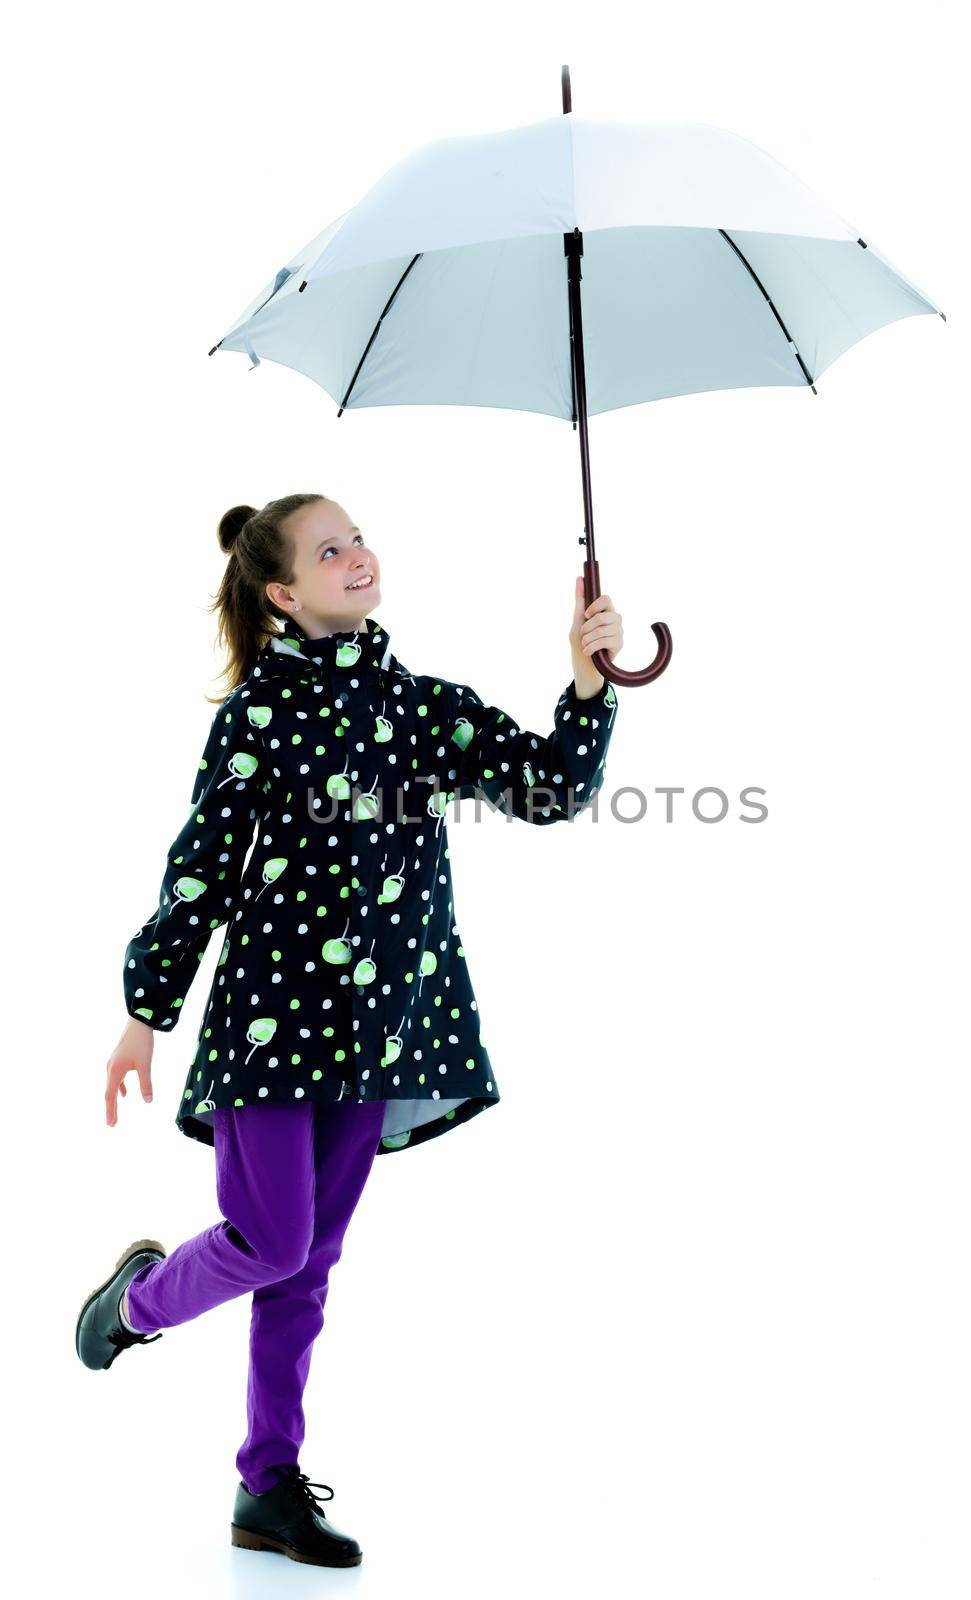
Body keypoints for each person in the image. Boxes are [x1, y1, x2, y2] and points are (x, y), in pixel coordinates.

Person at [76, 492, 622, 1567]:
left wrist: (589, 676)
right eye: (331, 550)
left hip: (377, 1033)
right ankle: (135, 1303)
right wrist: (146, 1009)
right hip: (270, 1033)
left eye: (358, 538)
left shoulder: (420, 708)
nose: (358, 556)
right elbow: (198, 874)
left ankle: (267, 1481)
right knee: (271, 1240)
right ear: (283, 592)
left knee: (307, 1264)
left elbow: (549, 788)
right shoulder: (255, 718)